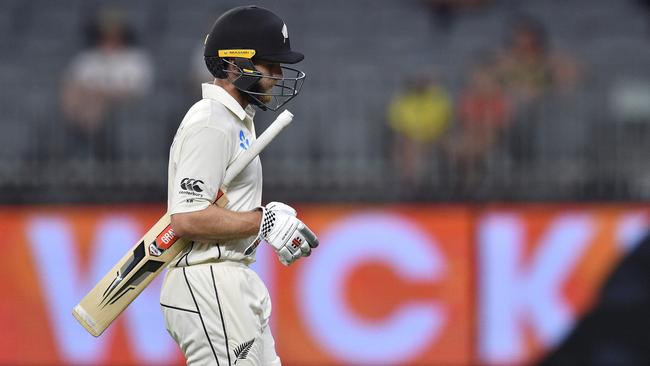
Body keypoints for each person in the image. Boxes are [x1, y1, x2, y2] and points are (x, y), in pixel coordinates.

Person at [159, 6, 318, 365]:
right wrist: (263, 221)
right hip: (208, 280)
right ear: (234, 65)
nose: (278, 75)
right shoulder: (212, 121)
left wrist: (261, 219)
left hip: (231, 279)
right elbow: (185, 217)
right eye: (269, 64)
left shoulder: (235, 121)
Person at [60, 7, 153, 160]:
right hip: (84, 111)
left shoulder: (135, 59)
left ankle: (93, 141)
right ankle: (82, 137)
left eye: (115, 32)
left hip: (123, 112)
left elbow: (135, 91)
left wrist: (101, 95)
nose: (110, 36)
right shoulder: (87, 58)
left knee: (98, 105)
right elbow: (72, 86)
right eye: (106, 31)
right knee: (72, 93)